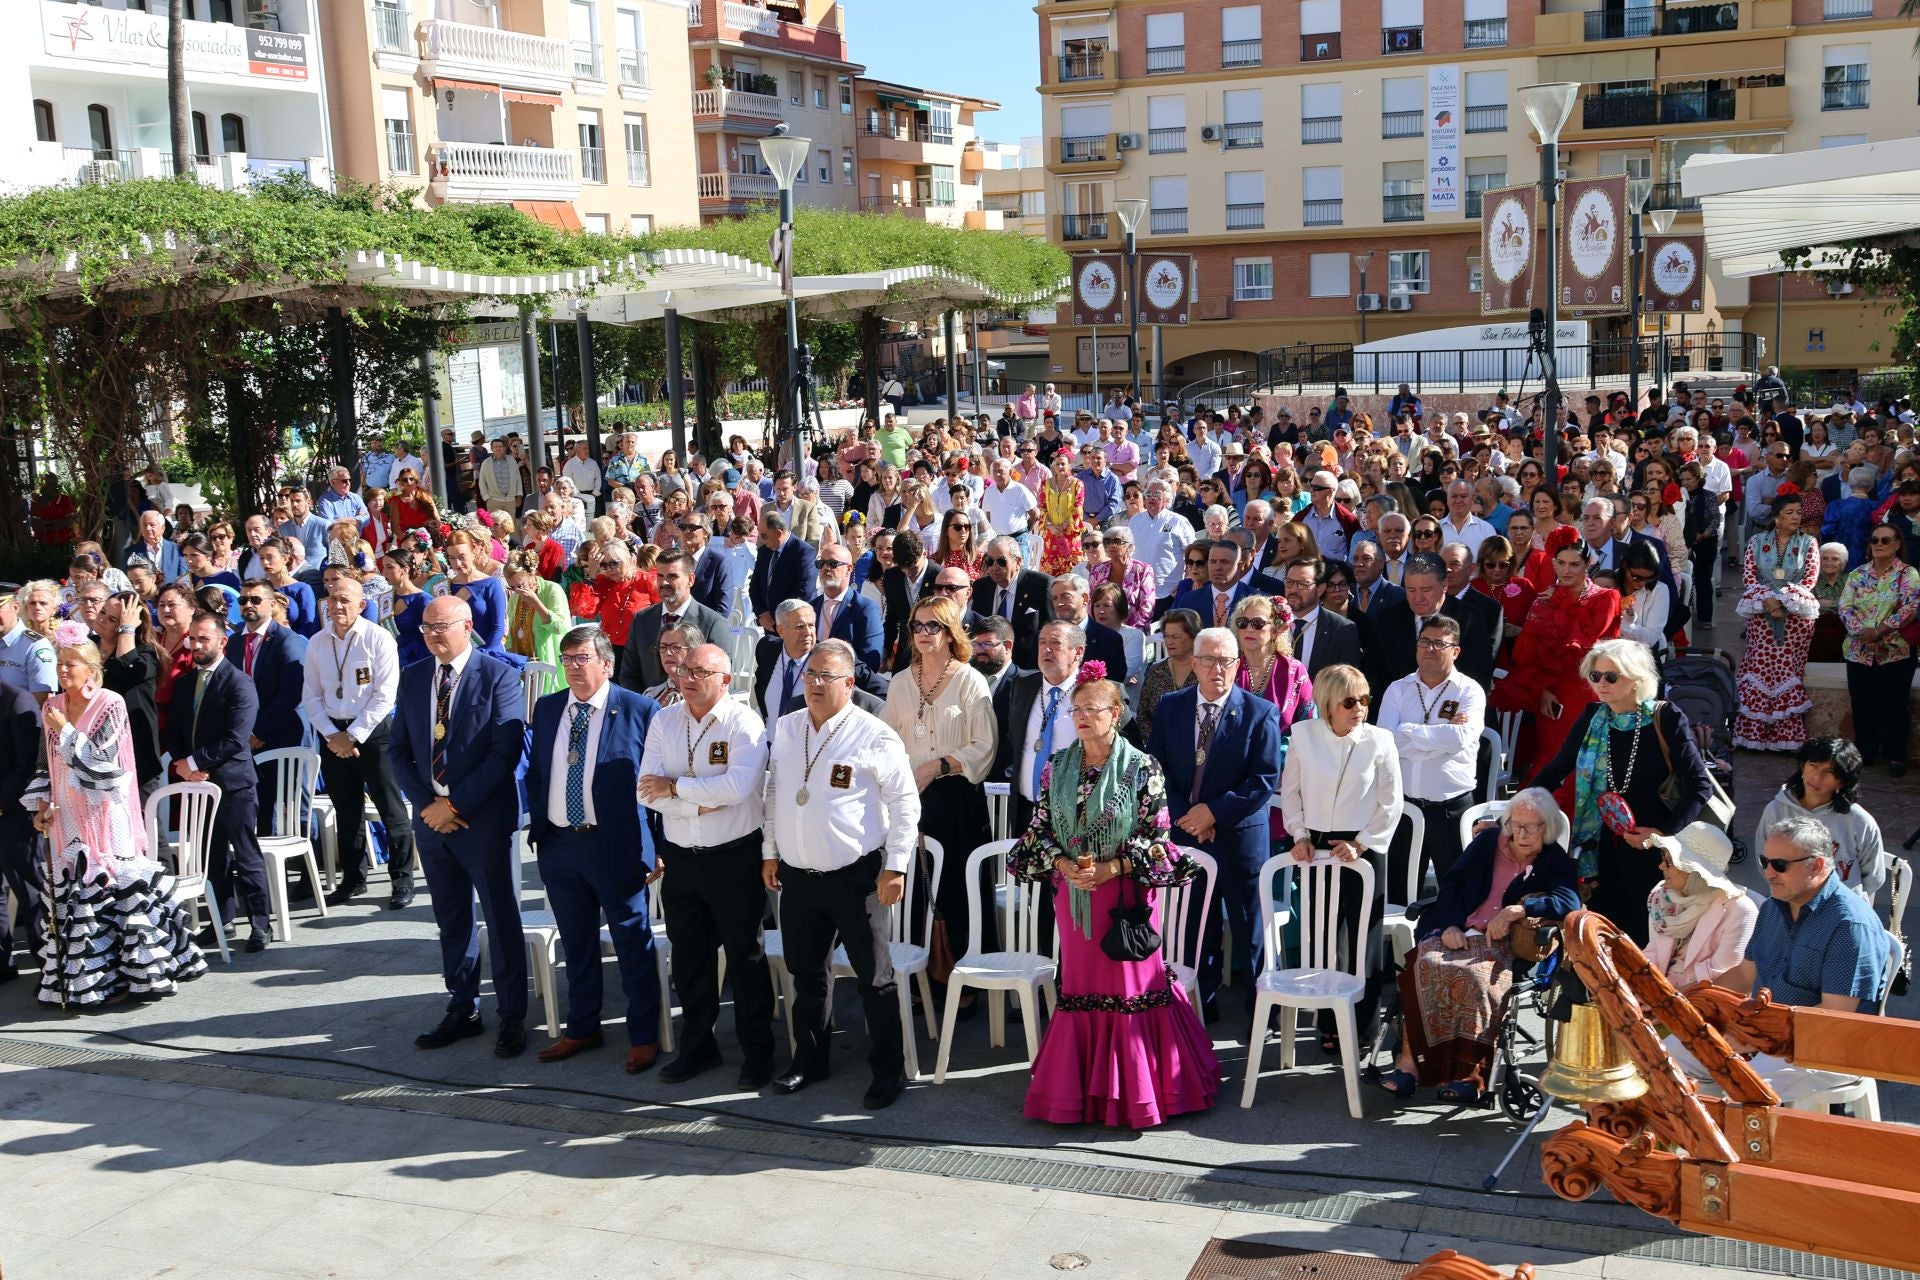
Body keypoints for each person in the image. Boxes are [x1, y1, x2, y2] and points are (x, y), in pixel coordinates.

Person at [1008, 671, 1218, 1127]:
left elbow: (1157, 836)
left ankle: (1140, 1093)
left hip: (1124, 898)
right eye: (1076, 710)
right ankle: (1081, 1091)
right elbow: (1039, 830)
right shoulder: (1057, 765)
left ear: (1116, 715)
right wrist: (1064, 867)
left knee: (1129, 991)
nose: (1081, 717)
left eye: (1092, 709)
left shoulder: (1142, 767)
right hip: (1073, 894)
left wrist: (1111, 869)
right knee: (1080, 988)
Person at [763, 640, 919, 1110]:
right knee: (806, 974)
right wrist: (770, 852)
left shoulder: (874, 735)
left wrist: (896, 865)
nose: (813, 683)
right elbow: (774, 797)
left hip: (858, 877)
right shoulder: (788, 728)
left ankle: (889, 1071)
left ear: (849, 684)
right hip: (799, 876)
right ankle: (810, 1060)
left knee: (875, 978)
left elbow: (905, 804)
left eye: (825, 676)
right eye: (809, 674)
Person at [27, 631, 205, 1005]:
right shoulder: (52, 707)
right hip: (67, 814)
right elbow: (45, 763)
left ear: (91, 670)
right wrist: (41, 806)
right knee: (73, 891)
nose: (62, 671)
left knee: (111, 890)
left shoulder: (111, 704)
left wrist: (65, 729)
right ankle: (82, 982)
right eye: (59, 663)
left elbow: (103, 766)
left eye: (70, 664)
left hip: (104, 813)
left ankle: (127, 978)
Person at [390, 596, 530, 1058]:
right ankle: (463, 1006)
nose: (431, 634)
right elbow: (396, 751)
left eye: (441, 626)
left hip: (482, 818)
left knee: (500, 915)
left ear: (468, 626)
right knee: (451, 917)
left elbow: (504, 752)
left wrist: (456, 804)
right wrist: (429, 804)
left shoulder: (499, 676)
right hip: (432, 820)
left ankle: (511, 1013)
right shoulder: (413, 677)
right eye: (426, 627)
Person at [1378, 787, 1578, 1102]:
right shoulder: (1488, 843)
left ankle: (1468, 1076)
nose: (1521, 834)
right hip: (1458, 930)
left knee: (1475, 979)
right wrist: (1449, 925)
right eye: (1515, 825)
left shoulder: (1553, 859)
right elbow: (1452, 884)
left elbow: (1569, 901)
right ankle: (1409, 1066)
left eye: (1531, 827)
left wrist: (1521, 910)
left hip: (1502, 943)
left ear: (1548, 828)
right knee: (1427, 966)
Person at [523, 627, 664, 1073]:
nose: (572, 667)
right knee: (577, 944)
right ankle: (582, 1026)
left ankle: (643, 1035)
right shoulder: (547, 709)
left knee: (631, 943)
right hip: (561, 845)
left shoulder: (640, 710)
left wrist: (658, 847)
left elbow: (656, 782)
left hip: (615, 846)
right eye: (566, 659)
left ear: (606, 663)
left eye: (582, 658)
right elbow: (537, 773)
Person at [638, 643, 777, 1086]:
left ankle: (758, 1053)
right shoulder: (664, 720)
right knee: (690, 961)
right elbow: (645, 791)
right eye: (684, 669)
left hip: (734, 856)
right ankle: (698, 1049)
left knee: (745, 958)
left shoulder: (744, 722)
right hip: (682, 858)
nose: (689, 677)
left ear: (726, 679)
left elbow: (736, 788)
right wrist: (698, 803)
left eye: (701, 671)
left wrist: (674, 789)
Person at [1145, 626, 1284, 1023]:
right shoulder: (1172, 706)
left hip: (1239, 840)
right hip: (1186, 835)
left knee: (1247, 929)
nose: (1216, 669)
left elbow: (1263, 779)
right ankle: (1199, 1008)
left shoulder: (1260, 712)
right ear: (1195, 663)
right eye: (1208, 660)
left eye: (1225, 660)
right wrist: (1189, 817)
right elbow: (1157, 769)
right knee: (1193, 927)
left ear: (1237, 664)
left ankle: (1261, 1010)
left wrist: (1214, 813)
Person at [1532, 638, 1711, 946]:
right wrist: (1519, 808)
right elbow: (1557, 769)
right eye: (1595, 675)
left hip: (1655, 850)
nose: (1601, 683)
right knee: (1605, 931)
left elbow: (1700, 786)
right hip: (1601, 845)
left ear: (1636, 680)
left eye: (1611, 676)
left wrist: (1661, 834)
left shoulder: (1665, 718)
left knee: (1647, 936)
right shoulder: (1592, 718)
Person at [1280, 663, 1405, 1047]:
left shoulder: (1380, 740)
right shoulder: (1303, 735)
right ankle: (1327, 1024)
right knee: (1322, 935)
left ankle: (1363, 1027)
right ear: (1328, 703)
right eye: (1350, 701)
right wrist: (1299, 835)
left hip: (1363, 849)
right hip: (1316, 845)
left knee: (1363, 940)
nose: (1359, 708)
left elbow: (1392, 801)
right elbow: (1291, 792)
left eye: (1365, 699)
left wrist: (1362, 842)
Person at [883, 595, 998, 998]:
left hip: (957, 802)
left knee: (956, 891)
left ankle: (964, 982)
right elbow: (885, 743)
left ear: (951, 633)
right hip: (912, 800)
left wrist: (936, 766)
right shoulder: (899, 682)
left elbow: (984, 747)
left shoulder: (970, 680)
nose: (923, 633)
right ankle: (920, 982)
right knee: (916, 889)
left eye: (933, 626)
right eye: (917, 625)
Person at [299, 576, 414, 909]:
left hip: (372, 733)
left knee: (390, 809)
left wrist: (353, 735)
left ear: (361, 605)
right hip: (334, 736)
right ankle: (353, 879)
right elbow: (311, 695)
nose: (337, 605)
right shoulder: (317, 642)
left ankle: (401, 880)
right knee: (347, 811)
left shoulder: (377, 639)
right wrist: (332, 734)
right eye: (332, 598)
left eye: (345, 600)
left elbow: (384, 695)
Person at [164, 612, 272, 952]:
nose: (195, 646)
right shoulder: (184, 684)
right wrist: (185, 766)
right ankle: (221, 920)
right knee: (212, 857)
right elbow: (174, 731)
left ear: (222, 642)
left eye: (203, 639)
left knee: (245, 854)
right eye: (192, 639)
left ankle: (259, 922)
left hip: (234, 784)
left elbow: (235, 739)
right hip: (197, 784)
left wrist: (195, 762)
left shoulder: (239, 682)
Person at [1724, 816, 1887, 1014]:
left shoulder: (1850, 926)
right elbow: (1744, 974)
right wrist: (1692, 1004)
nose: (1768, 873)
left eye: (1780, 865)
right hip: (1762, 1028)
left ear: (1817, 866)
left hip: (1813, 1040)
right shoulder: (1771, 908)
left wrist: (1754, 1034)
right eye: (1764, 862)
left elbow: (1834, 1014)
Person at [1492, 537, 1621, 778]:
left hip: (1589, 691)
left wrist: (1563, 602)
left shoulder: (1605, 598)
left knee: (1586, 761)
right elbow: (1527, 658)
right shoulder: (1542, 604)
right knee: (1554, 756)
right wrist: (1541, 691)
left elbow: (1590, 643)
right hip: (1551, 694)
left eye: (1574, 564)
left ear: (1587, 564)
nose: (1566, 570)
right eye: (1561, 563)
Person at [1376, 614, 1486, 899]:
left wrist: (1407, 731)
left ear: (1455, 651)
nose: (1430, 649)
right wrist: (1440, 736)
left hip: (1451, 808)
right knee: (1398, 892)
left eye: (1439, 643)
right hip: (1405, 809)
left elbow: (1461, 738)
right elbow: (1385, 743)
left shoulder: (1469, 691)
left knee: (1458, 894)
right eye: (1425, 641)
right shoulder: (1398, 689)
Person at [1734, 485, 1820, 751]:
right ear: (1776, 517)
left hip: (1795, 617)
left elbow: (1809, 578)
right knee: (1759, 667)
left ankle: (1785, 738)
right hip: (1762, 613)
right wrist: (1768, 602)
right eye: (1789, 512)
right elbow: (1749, 576)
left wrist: (1783, 602)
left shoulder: (1809, 542)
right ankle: (1754, 736)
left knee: (1785, 669)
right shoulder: (1757, 542)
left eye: (1798, 512)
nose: (1795, 517)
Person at [1753, 737, 1887, 900]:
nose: (1817, 777)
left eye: (1829, 772)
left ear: (1842, 781)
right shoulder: (1776, 811)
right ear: (1802, 766)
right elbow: (1765, 862)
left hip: (1842, 908)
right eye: (1813, 765)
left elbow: (1874, 877)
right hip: (1788, 903)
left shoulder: (1859, 821)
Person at [1837, 524, 1920, 775]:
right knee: (1862, 704)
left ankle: (1896, 756)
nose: (1879, 544)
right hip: (1858, 650)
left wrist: (1880, 630)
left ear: (1897, 545)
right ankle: (1866, 753)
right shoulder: (1857, 574)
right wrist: (1862, 632)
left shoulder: (1908, 574)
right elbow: (1845, 606)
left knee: (1894, 705)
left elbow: (1910, 607)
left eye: (1885, 540)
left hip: (1894, 651)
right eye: (1875, 540)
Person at [1643, 824, 1757, 989]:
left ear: (1695, 871)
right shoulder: (1666, 896)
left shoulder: (1740, 911)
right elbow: (1654, 953)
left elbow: (1722, 980)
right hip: (1660, 994)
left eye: (1669, 861)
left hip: (1704, 1005)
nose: (1661, 866)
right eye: (1663, 857)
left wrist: (1666, 1003)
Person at [620, 548, 726, 694]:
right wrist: (646, 707)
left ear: (690, 579)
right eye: (660, 576)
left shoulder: (713, 623)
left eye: (672, 576)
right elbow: (628, 675)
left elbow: (717, 680)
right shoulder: (642, 619)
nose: (664, 582)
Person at [0, 677, 40, 981]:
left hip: (15, 815)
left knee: (30, 892)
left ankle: (47, 968)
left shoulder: (18, 701)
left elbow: (27, 767)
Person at [970, 536, 1053, 669]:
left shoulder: (1041, 586)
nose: (994, 567)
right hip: (987, 663)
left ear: (1018, 562)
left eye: (1001, 562)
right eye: (990, 561)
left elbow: (1051, 628)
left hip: (1026, 665)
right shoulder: (981, 587)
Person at [503, 550, 569, 695]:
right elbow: (511, 633)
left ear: (531, 574)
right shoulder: (515, 598)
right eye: (512, 587)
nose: (516, 591)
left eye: (520, 585)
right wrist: (511, 657)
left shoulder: (552, 590)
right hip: (523, 668)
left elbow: (560, 627)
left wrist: (536, 603)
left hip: (547, 665)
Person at [1136, 608, 1199, 742]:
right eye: (1166, 636)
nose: (1169, 641)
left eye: (1175, 637)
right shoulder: (1155, 671)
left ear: (1193, 637)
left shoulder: (1204, 671)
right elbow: (1143, 715)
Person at [1038, 452, 1087, 577]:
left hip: (1070, 532)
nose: (1060, 467)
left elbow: (1078, 507)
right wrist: (1050, 525)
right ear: (1053, 466)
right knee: (1050, 571)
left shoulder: (1077, 484)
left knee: (1072, 570)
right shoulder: (1046, 484)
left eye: (1063, 464)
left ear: (1069, 465)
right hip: (1051, 533)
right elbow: (1042, 507)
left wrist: (1065, 525)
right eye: (1057, 464)